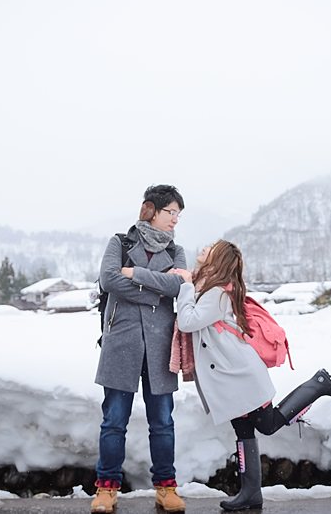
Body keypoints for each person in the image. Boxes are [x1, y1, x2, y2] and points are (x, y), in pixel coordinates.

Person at [174, 240, 331, 511]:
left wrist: (185, 285)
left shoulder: (217, 292)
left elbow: (188, 321)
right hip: (230, 375)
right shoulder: (209, 286)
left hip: (240, 375)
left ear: (217, 260)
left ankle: (317, 385)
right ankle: (250, 493)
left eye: (210, 248)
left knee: (266, 424)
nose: (204, 248)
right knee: (242, 429)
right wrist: (188, 281)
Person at [91, 184, 187, 514]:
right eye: (170, 212)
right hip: (121, 342)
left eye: (178, 214)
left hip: (161, 347)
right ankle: (106, 489)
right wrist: (154, 291)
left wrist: (137, 275)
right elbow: (109, 280)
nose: (176, 219)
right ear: (150, 210)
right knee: (113, 421)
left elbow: (178, 285)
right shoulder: (120, 242)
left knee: (162, 422)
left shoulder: (177, 252)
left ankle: (166, 487)